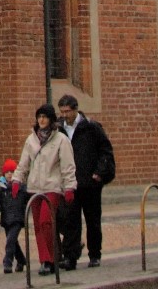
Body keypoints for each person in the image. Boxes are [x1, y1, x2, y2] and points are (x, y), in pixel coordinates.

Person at [55, 93, 114, 268]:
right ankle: (71, 256)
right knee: (70, 220)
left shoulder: (91, 127)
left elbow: (105, 150)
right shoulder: (59, 129)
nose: (64, 115)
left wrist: (100, 173)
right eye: (62, 111)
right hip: (69, 183)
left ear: (75, 109)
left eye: (67, 111)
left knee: (92, 220)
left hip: (90, 182)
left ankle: (95, 254)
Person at [14, 105, 75, 272]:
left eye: (45, 117)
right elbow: (23, 163)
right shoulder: (31, 140)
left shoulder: (60, 140)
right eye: (39, 117)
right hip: (35, 187)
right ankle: (46, 260)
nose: (41, 120)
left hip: (52, 187)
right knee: (38, 226)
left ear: (51, 119)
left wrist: (69, 187)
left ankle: (51, 259)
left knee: (46, 221)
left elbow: (68, 165)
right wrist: (16, 180)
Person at [0, 159, 27, 274]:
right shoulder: (1, 189)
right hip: (6, 219)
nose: (10, 174)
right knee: (13, 242)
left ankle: (7, 262)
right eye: (7, 172)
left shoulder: (21, 188)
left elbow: (27, 197)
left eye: (12, 172)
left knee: (10, 241)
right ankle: (21, 260)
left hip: (17, 218)